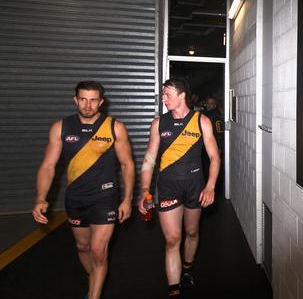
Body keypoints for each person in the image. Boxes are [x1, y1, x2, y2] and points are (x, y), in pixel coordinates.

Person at [32, 80, 135, 299]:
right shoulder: (61, 127)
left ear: (102, 102)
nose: (88, 105)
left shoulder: (114, 127)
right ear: (75, 100)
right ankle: (97, 278)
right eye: (83, 99)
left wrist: (127, 198)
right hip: (76, 199)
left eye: (93, 100)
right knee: (82, 246)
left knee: (98, 251)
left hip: (105, 197)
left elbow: (127, 164)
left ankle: (94, 293)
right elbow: (48, 166)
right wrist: (41, 198)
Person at [138, 78, 220, 297]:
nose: (163, 99)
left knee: (192, 232)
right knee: (172, 239)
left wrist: (210, 186)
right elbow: (149, 158)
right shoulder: (158, 123)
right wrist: (145, 191)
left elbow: (214, 157)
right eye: (163, 95)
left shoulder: (201, 121)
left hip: (195, 186)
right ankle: (174, 290)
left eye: (167, 95)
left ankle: (186, 268)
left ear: (182, 95)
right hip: (167, 186)